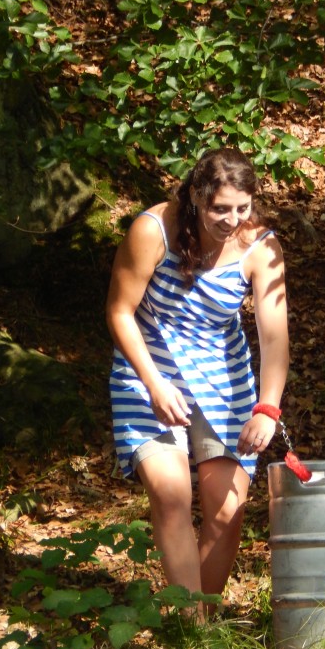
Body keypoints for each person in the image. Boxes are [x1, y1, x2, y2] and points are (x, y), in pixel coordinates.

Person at [106, 147, 289, 616]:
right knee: (172, 495)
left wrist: (267, 408)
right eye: (220, 209)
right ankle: (192, 631)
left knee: (227, 509)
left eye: (242, 208)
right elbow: (119, 312)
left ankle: (200, 619)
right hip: (148, 370)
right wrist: (154, 384)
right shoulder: (153, 231)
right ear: (195, 196)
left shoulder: (261, 248)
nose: (232, 220)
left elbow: (273, 338)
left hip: (223, 377)